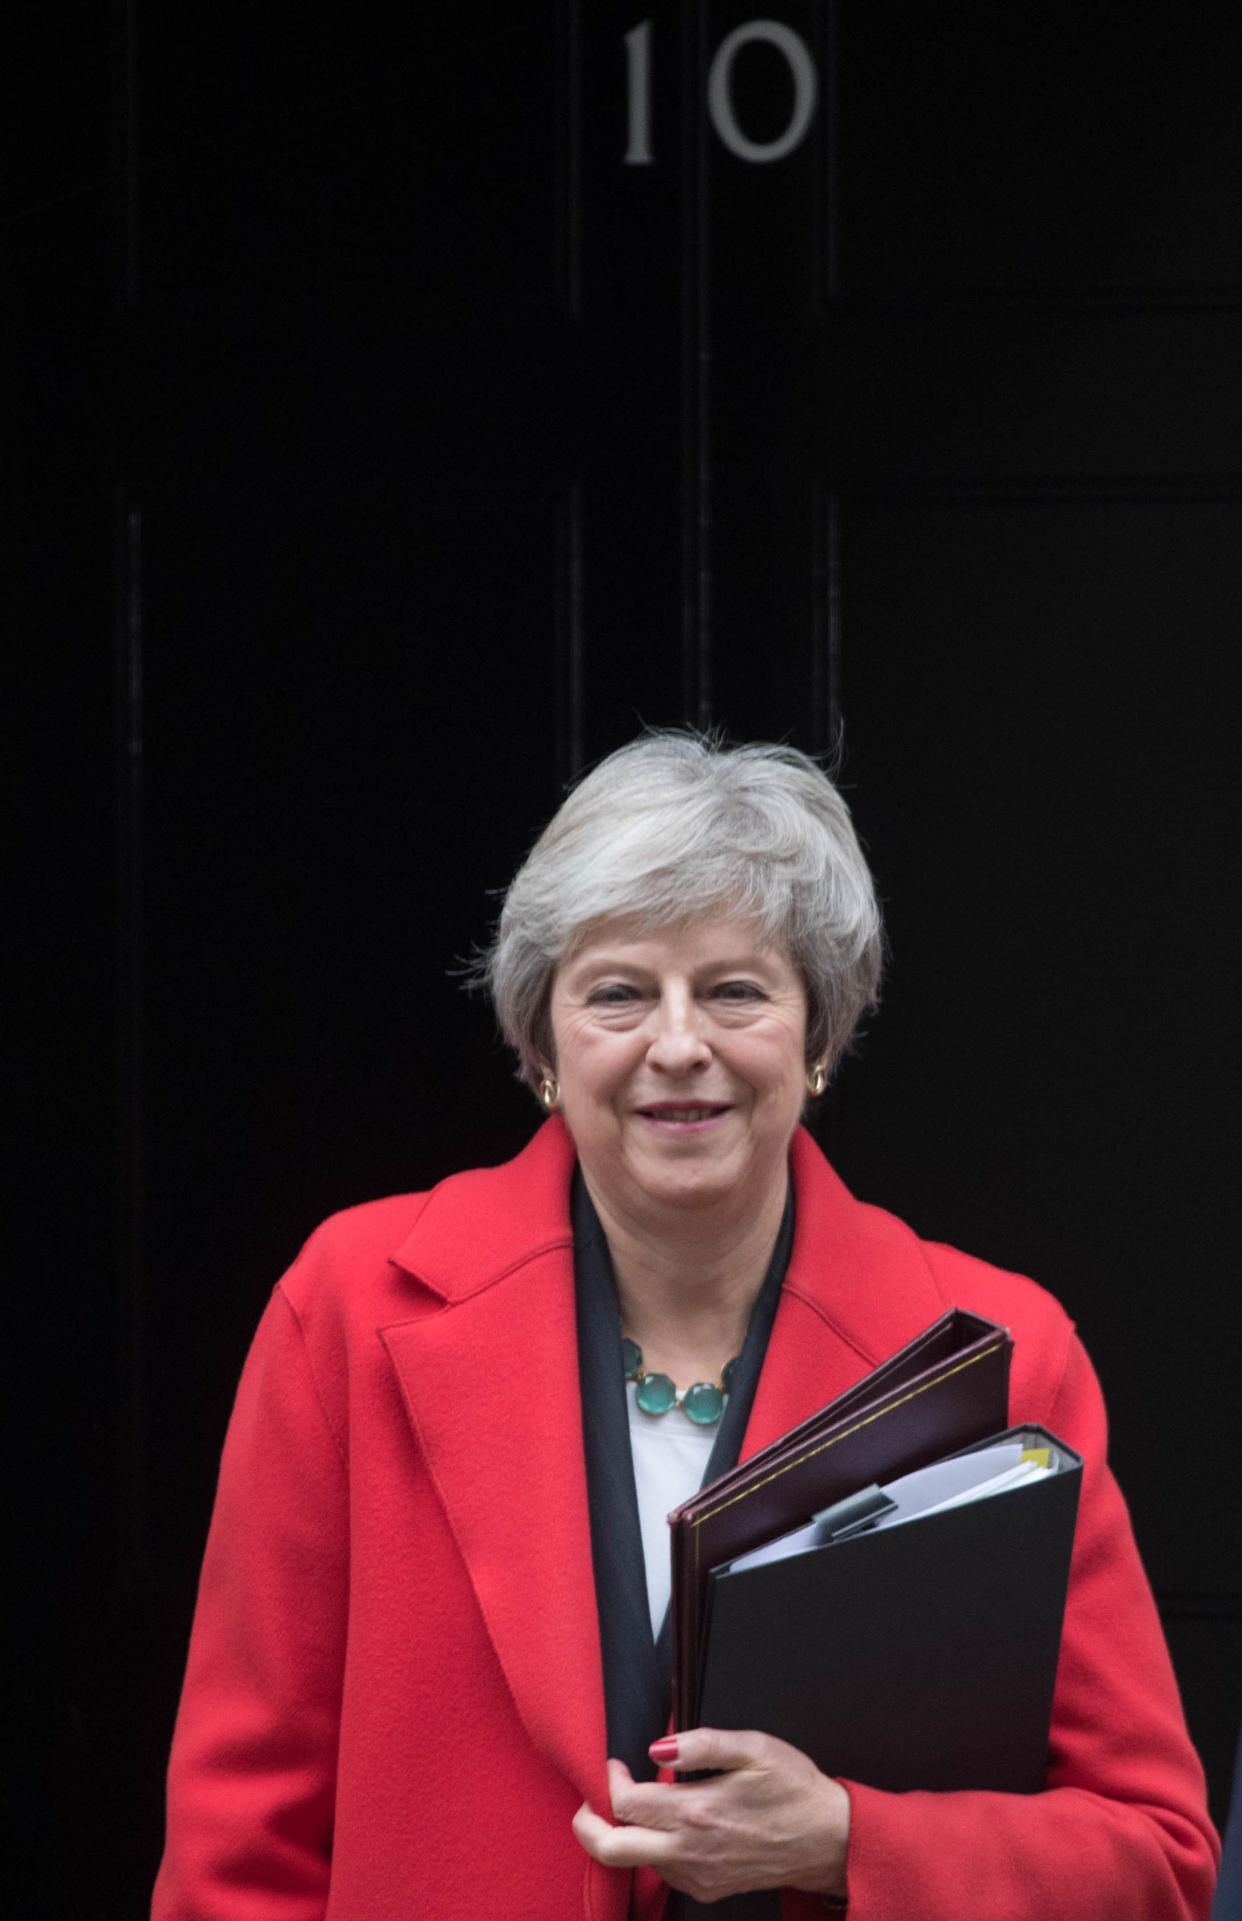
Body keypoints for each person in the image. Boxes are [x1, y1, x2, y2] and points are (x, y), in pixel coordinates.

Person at [153, 732, 1218, 1920]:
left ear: (817, 1038)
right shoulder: (348, 1307)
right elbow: (239, 1839)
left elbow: (1155, 1859)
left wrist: (849, 1842)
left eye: (734, 989)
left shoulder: (1005, 1349)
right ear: (539, 1044)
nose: (677, 1045)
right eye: (617, 991)